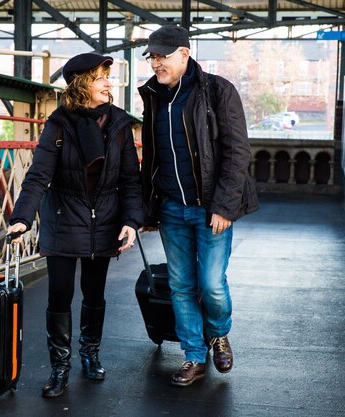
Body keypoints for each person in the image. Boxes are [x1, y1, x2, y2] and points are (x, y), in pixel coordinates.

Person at [7, 52, 143, 398]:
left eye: (106, 78)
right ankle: (60, 366)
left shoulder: (119, 124)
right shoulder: (59, 124)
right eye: (101, 78)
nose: (107, 84)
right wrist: (22, 218)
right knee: (60, 295)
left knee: (95, 295)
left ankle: (90, 353)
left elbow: (130, 179)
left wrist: (130, 221)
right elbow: (39, 174)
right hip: (63, 218)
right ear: (83, 84)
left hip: (106, 220)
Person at [138, 26, 259, 387]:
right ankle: (193, 356)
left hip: (211, 210)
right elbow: (153, 157)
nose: (157, 62)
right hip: (172, 208)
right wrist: (148, 209)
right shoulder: (153, 96)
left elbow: (238, 153)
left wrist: (223, 205)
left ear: (184, 55)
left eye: (163, 55)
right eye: (153, 56)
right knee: (180, 285)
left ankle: (218, 334)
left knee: (212, 284)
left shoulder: (218, 91)